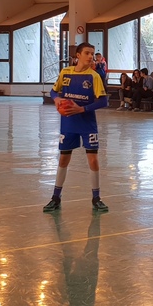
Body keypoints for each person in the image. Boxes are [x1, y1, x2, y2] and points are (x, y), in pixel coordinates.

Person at [44, 42, 109, 213]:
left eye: (92, 53)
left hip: (87, 123)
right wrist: (57, 99)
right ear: (78, 55)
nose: (90, 56)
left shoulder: (94, 76)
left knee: (93, 160)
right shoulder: (65, 72)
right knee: (63, 159)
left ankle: (96, 198)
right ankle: (55, 197)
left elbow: (103, 101)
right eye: (87, 53)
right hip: (68, 123)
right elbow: (53, 91)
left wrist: (82, 109)